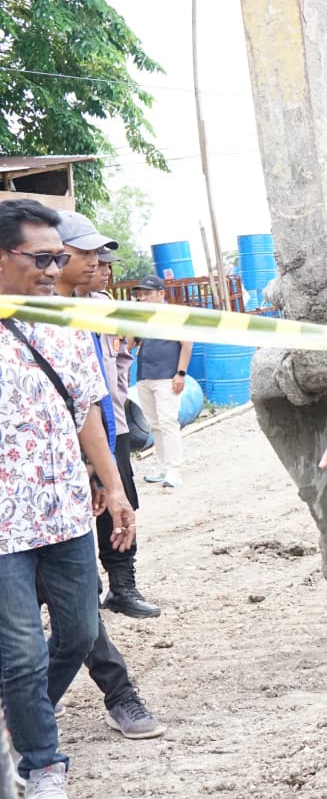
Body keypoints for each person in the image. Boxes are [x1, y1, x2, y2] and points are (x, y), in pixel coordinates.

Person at [0, 199, 136, 799]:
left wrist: (113, 487)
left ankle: (22, 720)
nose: (57, 269)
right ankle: (41, 761)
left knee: (79, 632)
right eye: (44, 257)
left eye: (60, 257)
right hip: (4, 526)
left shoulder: (63, 320)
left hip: (66, 513)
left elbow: (84, 408)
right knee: (23, 651)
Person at [52, 211, 166, 743]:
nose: (98, 262)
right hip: (28, 489)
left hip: (82, 454)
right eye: (84, 252)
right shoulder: (35, 316)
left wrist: (105, 478)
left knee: (73, 609)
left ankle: (107, 691)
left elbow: (88, 403)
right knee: (44, 610)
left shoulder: (88, 313)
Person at [130, 274, 192, 489]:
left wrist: (180, 374)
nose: (143, 298)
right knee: (154, 424)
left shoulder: (173, 315)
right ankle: (164, 467)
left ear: (161, 294)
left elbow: (187, 344)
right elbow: (131, 343)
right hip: (144, 376)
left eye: (147, 293)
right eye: (141, 294)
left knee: (168, 423)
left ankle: (174, 470)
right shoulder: (141, 317)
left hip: (167, 377)